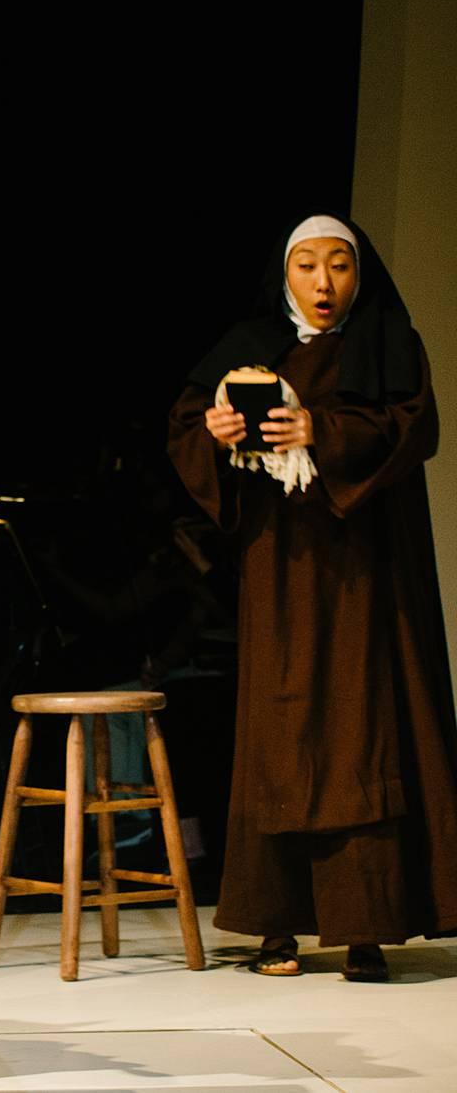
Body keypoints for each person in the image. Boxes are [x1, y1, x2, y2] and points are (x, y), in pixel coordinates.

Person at [169, 213, 457, 982]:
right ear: (285, 274)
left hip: (365, 571)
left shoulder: (389, 340)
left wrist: (317, 431)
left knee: (366, 730)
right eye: (308, 265)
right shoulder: (249, 344)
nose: (325, 283)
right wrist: (221, 430)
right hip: (280, 570)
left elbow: (410, 426)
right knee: (279, 734)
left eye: (339, 265)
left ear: (359, 274)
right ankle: (275, 927)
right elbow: (188, 433)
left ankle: (366, 926)